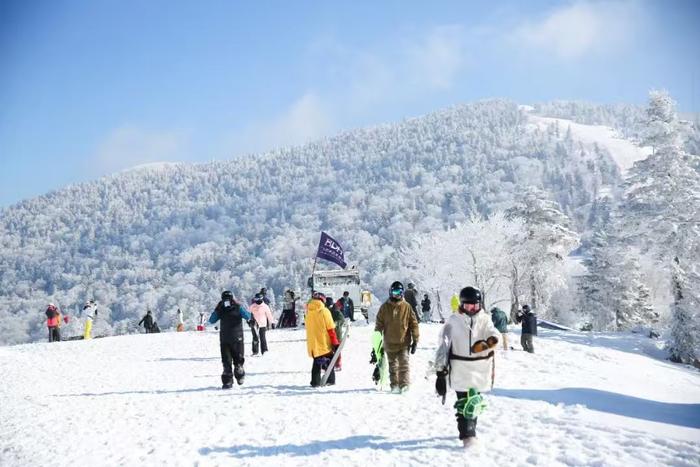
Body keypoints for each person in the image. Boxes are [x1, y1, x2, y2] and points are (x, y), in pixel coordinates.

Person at [434, 286, 500, 447]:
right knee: (464, 402)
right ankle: (467, 435)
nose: (472, 309)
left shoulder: (484, 319)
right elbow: (443, 345)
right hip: (460, 368)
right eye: (468, 305)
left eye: (475, 305)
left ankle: (470, 429)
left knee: (475, 401)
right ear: (462, 304)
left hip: (479, 369)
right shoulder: (453, 321)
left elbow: (494, 335)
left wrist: (485, 345)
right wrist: (440, 371)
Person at [375, 281, 419, 394]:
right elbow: (379, 325)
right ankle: (394, 385)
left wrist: (415, 340)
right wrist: (377, 342)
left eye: (399, 292)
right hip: (389, 342)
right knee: (393, 366)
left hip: (404, 342)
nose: (396, 295)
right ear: (390, 292)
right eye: (394, 292)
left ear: (402, 293)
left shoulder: (407, 307)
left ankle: (404, 385)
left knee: (404, 364)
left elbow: (413, 324)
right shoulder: (384, 308)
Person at [210, 290, 252, 389]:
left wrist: (217, 309)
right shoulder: (238, 307)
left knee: (226, 361)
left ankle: (227, 381)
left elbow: (211, 320)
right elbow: (248, 316)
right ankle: (239, 374)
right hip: (238, 337)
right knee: (238, 360)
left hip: (224, 338)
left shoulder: (220, 308)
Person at [305, 292, 340, 387]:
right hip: (324, 343)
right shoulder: (324, 311)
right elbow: (330, 328)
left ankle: (315, 382)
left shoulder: (308, 312)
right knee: (329, 360)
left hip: (312, 344)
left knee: (317, 362)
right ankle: (330, 380)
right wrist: (335, 342)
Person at [326, 296, 345, 370]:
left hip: (337, 333)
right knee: (329, 349)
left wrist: (335, 323)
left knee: (337, 349)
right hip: (328, 334)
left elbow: (342, 320)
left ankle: (338, 364)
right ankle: (329, 363)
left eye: (329, 306)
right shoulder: (325, 310)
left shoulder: (336, 311)